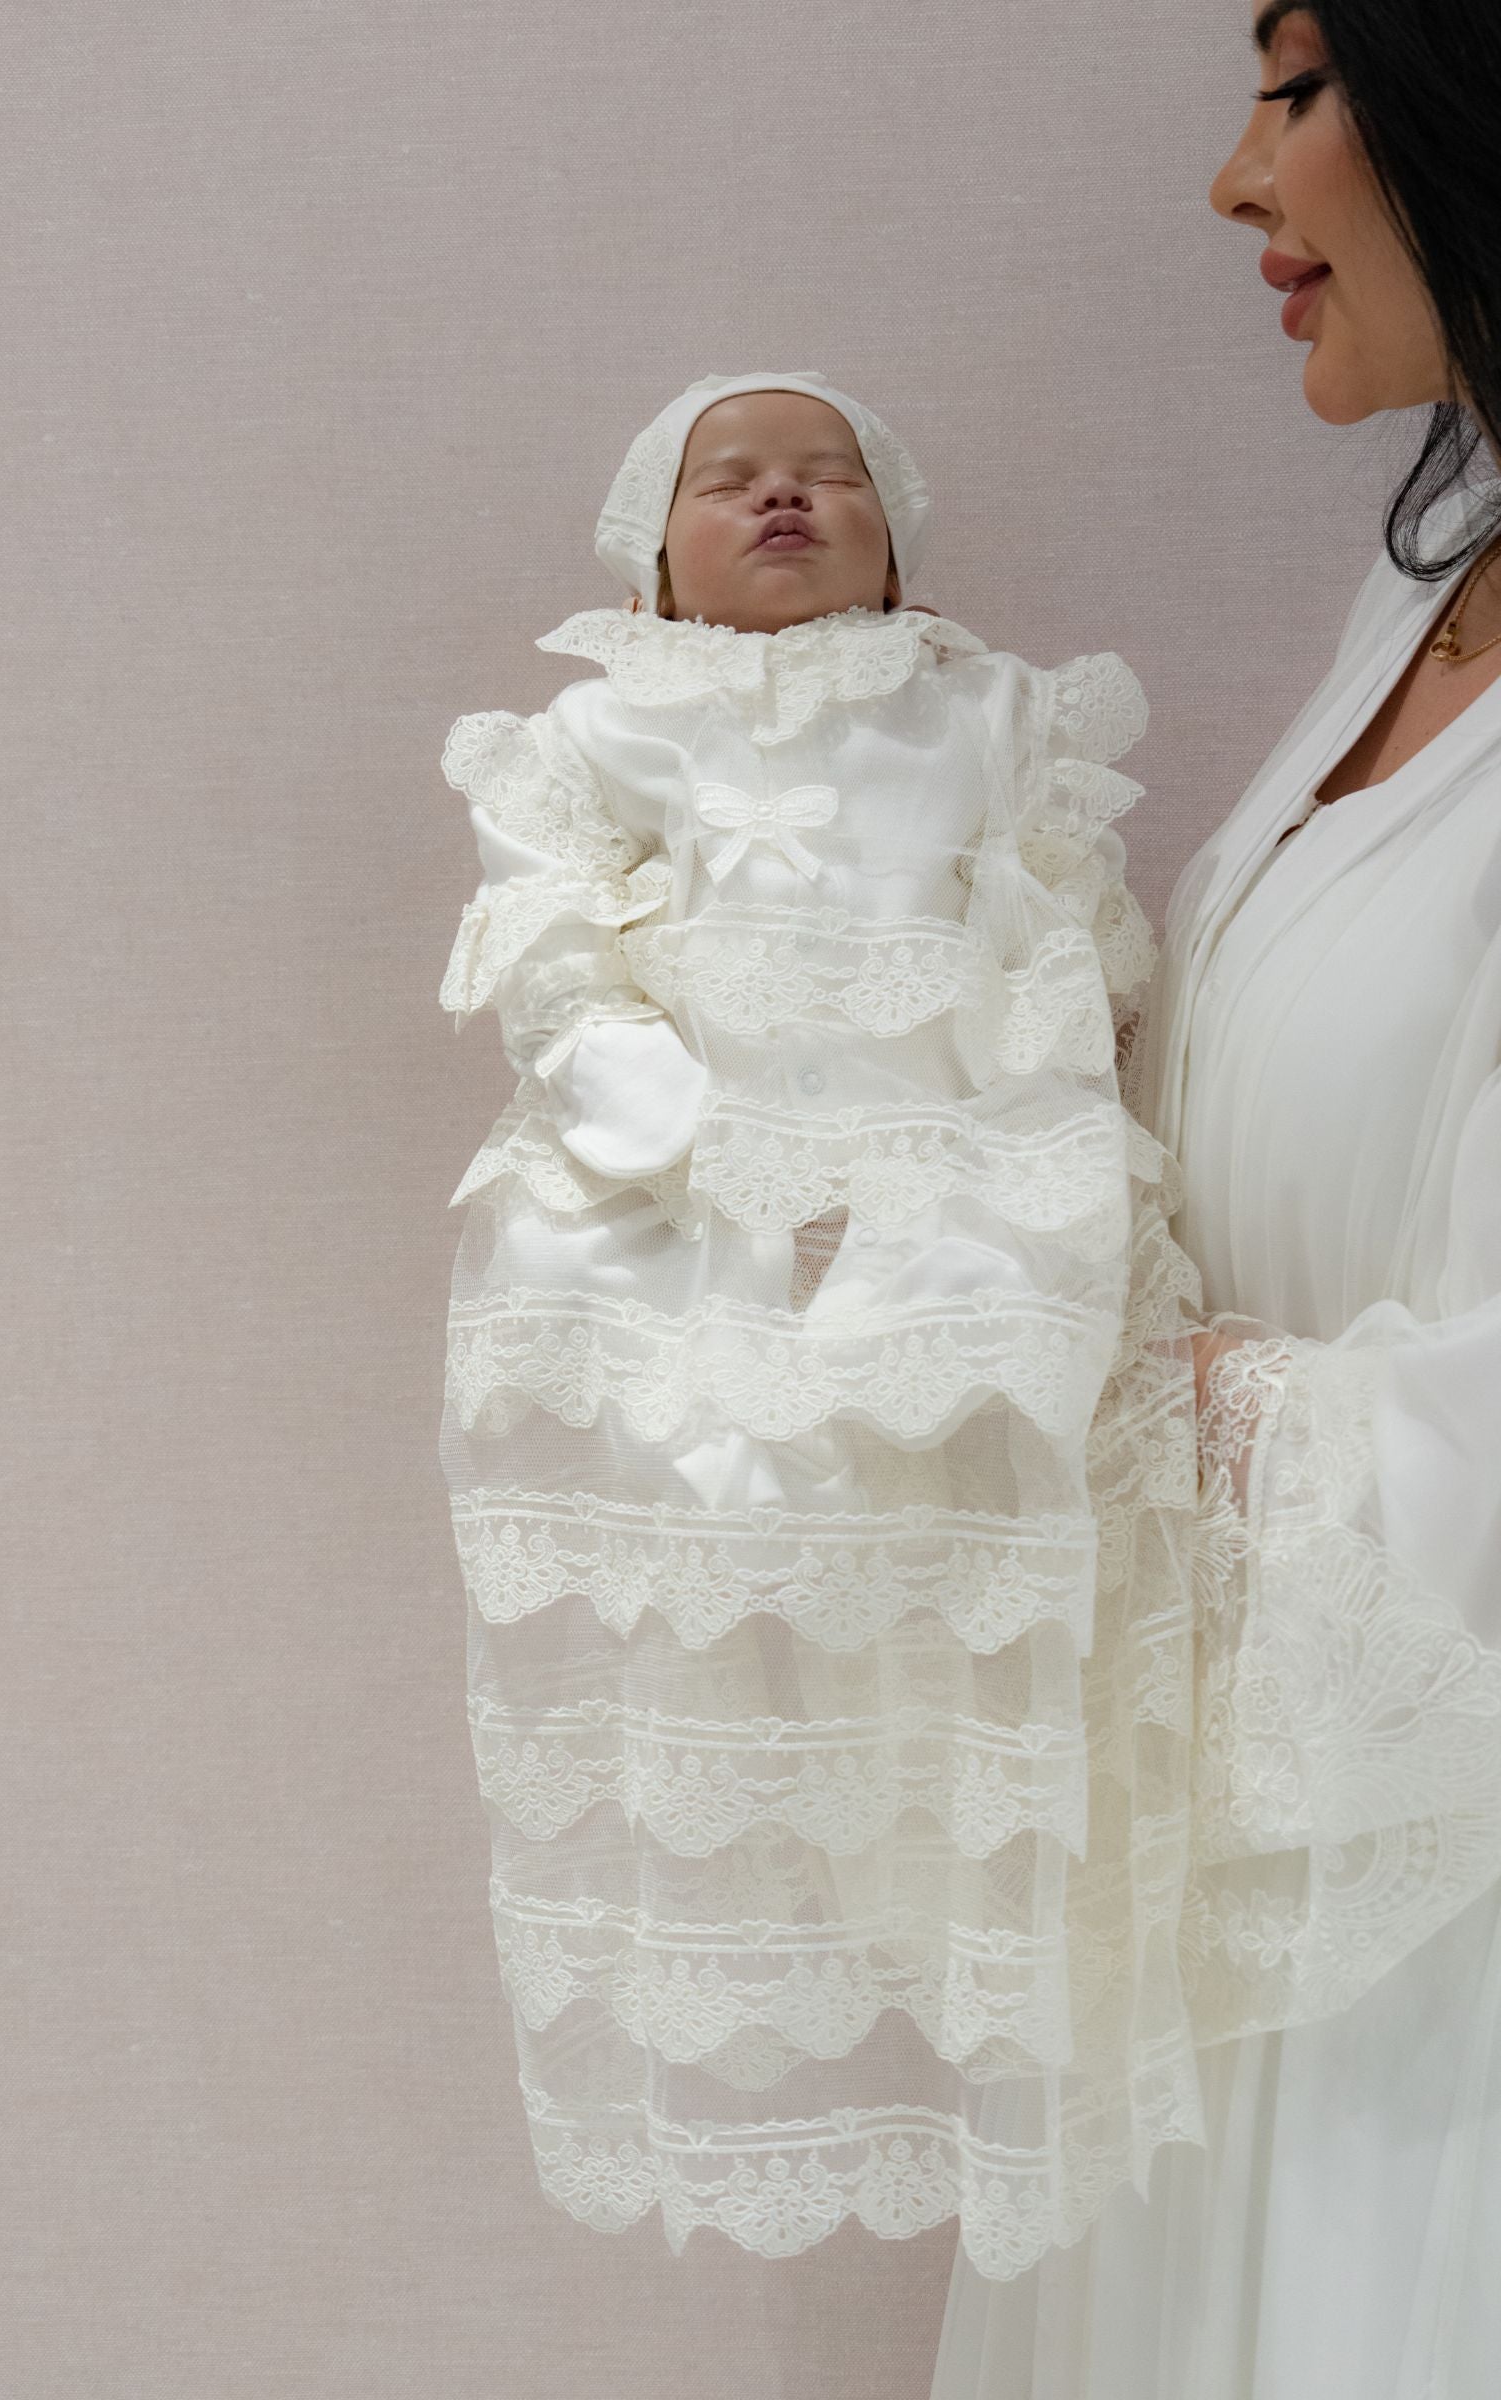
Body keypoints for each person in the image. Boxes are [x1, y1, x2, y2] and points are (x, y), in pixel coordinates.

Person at [436, 370, 1206, 2276]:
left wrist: (1008, 1125)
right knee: (675, 1511)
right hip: (671, 1182)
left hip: (942, 1171)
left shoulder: (983, 708)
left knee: (962, 1525)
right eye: (730, 483)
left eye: (832, 478)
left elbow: (1063, 934)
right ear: (652, 553)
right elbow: (547, 932)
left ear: (896, 530)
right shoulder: (605, 729)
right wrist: (649, 1107)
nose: (785, 499)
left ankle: (941, 1854)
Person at [932, 4, 1501, 2392]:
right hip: (1243, 1862)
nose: (1230, 183)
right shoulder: (1427, 596)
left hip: (1435, 1923)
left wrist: (1187, 1418)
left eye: (1290, 88)